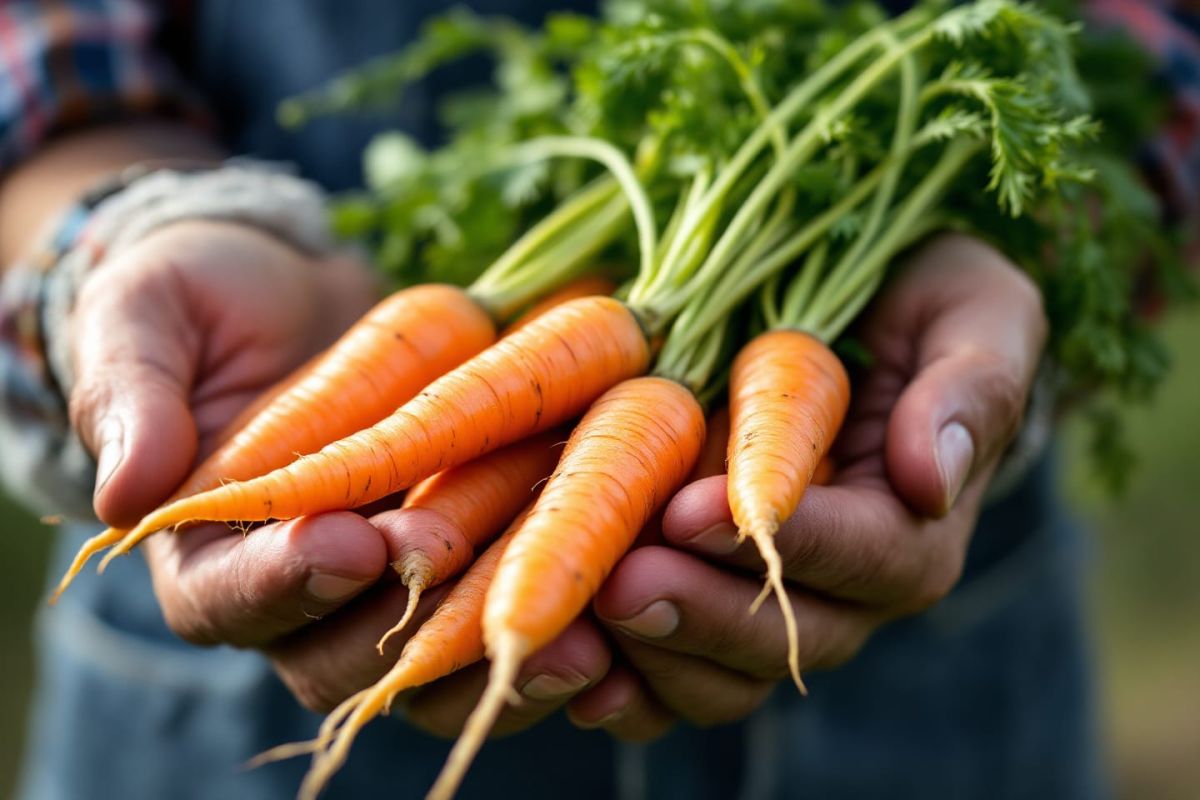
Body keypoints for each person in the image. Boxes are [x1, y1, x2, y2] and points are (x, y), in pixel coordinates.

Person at [0, 2, 1193, 798]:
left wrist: (1033, 259)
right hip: (199, 700)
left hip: (933, 691)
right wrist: (111, 227)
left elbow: (1159, 56)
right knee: (342, 479)